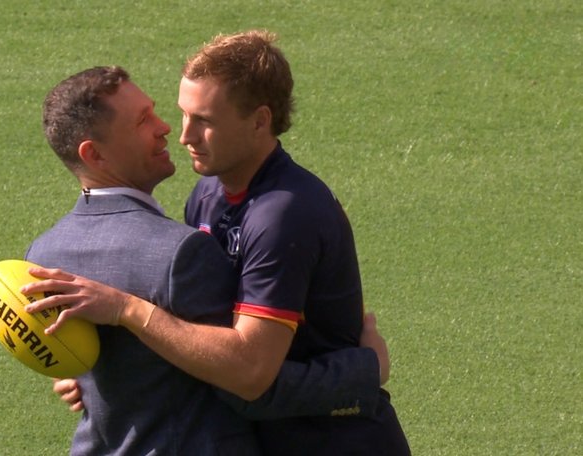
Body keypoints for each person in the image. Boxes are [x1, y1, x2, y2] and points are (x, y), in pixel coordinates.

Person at [25, 31, 410, 455]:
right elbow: (199, 341)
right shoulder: (205, 197)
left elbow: (247, 374)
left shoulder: (285, 213)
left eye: (204, 120)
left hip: (334, 441)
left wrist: (361, 374)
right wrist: (99, 373)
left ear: (260, 120)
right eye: (182, 114)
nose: (182, 134)